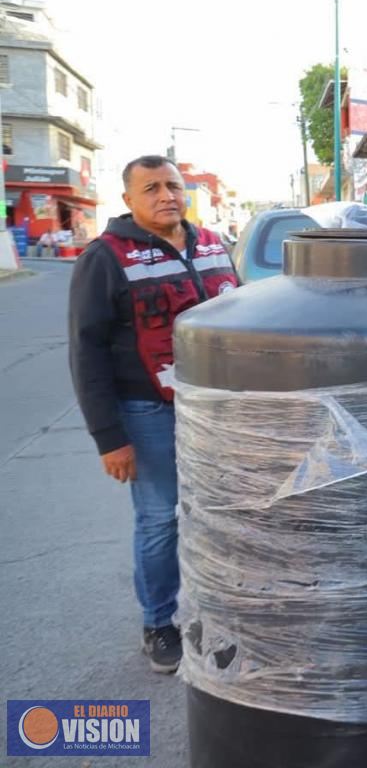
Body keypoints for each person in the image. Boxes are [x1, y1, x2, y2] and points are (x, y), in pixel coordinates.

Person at [68, 155, 239, 673]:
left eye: (173, 185)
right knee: (161, 517)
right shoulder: (106, 257)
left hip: (214, 410)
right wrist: (108, 437)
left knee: (219, 513)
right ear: (128, 200)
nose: (166, 195)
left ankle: (218, 613)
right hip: (147, 409)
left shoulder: (212, 244)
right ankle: (159, 621)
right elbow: (86, 349)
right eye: (151, 188)